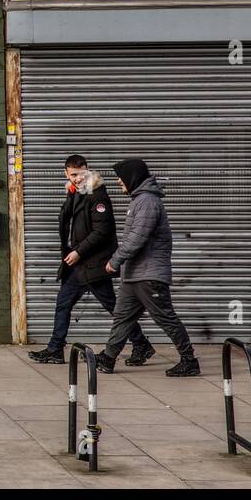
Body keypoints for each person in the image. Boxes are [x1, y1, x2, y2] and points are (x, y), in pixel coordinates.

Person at [29, 156, 154, 365]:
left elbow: (102, 231)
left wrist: (78, 251)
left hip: (93, 263)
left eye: (81, 173)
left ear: (88, 170)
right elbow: (68, 222)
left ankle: (141, 345)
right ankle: (55, 348)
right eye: (73, 175)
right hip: (81, 264)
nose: (78, 178)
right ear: (66, 174)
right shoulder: (76, 193)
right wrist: (70, 195)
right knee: (65, 303)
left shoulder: (97, 196)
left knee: (112, 306)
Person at [96, 158, 199, 377]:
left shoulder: (148, 202)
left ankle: (189, 360)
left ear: (132, 178)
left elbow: (136, 238)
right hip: (134, 274)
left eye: (121, 178)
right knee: (122, 317)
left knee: (165, 318)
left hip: (149, 273)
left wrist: (115, 261)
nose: (118, 182)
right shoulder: (139, 201)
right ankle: (108, 357)